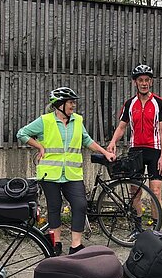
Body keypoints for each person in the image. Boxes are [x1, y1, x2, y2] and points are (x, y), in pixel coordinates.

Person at [17, 87, 115, 255]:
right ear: (59, 104)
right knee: (54, 207)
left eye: (74, 102)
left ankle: (76, 245)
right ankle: (56, 244)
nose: (73, 105)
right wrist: (39, 146)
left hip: (72, 173)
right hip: (50, 173)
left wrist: (105, 152)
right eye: (70, 102)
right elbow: (22, 133)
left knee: (80, 205)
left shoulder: (77, 120)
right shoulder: (45, 121)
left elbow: (87, 140)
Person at [107, 64, 162, 238]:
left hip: (154, 151)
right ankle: (137, 227)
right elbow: (122, 127)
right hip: (136, 151)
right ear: (135, 82)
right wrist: (112, 142)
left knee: (156, 191)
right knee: (135, 191)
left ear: (151, 82)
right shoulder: (130, 104)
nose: (144, 83)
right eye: (141, 80)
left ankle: (157, 229)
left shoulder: (159, 103)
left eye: (147, 80)